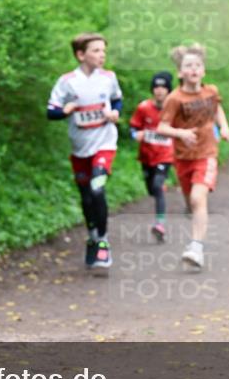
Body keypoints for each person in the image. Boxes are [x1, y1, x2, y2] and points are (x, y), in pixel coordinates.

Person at [47, 33, 123, 271]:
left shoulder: (109, 78)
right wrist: (65, 111)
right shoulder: (67, 81)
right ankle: (92, 235)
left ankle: (102, 241)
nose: (102, 55)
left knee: (97, 187)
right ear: (81, 55)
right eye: (96, 50)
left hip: (105, 143)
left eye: (104, 50)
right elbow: (51, 111)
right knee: (86, 196)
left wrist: (115, 113)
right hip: (80, 149)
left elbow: (117, 100)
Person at [156, 44, 229, 269]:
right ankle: (196, 222)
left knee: (199, 199)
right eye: (188, 66)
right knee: (192, 201)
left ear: (203, 70)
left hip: (207, 153)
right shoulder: (174, 99)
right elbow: (162, 127)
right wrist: (180, 133)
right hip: (183, 157)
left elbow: (217, 108)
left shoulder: (211, 92)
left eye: (198, 65)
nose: (194, 69)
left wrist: (224, 127)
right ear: (180, 72)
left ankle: (196, 247)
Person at [129, 71, 176, 241]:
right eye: (156, 86)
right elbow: (133, 128)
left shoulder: (174, 109)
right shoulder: (143, 108)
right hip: (146, 155)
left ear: (169, 90)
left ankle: (160, 223)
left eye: (163, 87)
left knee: (158, 185)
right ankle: (158, 196)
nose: (159, 90)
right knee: (151, 188)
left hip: (165, 155)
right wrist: (136, 135)